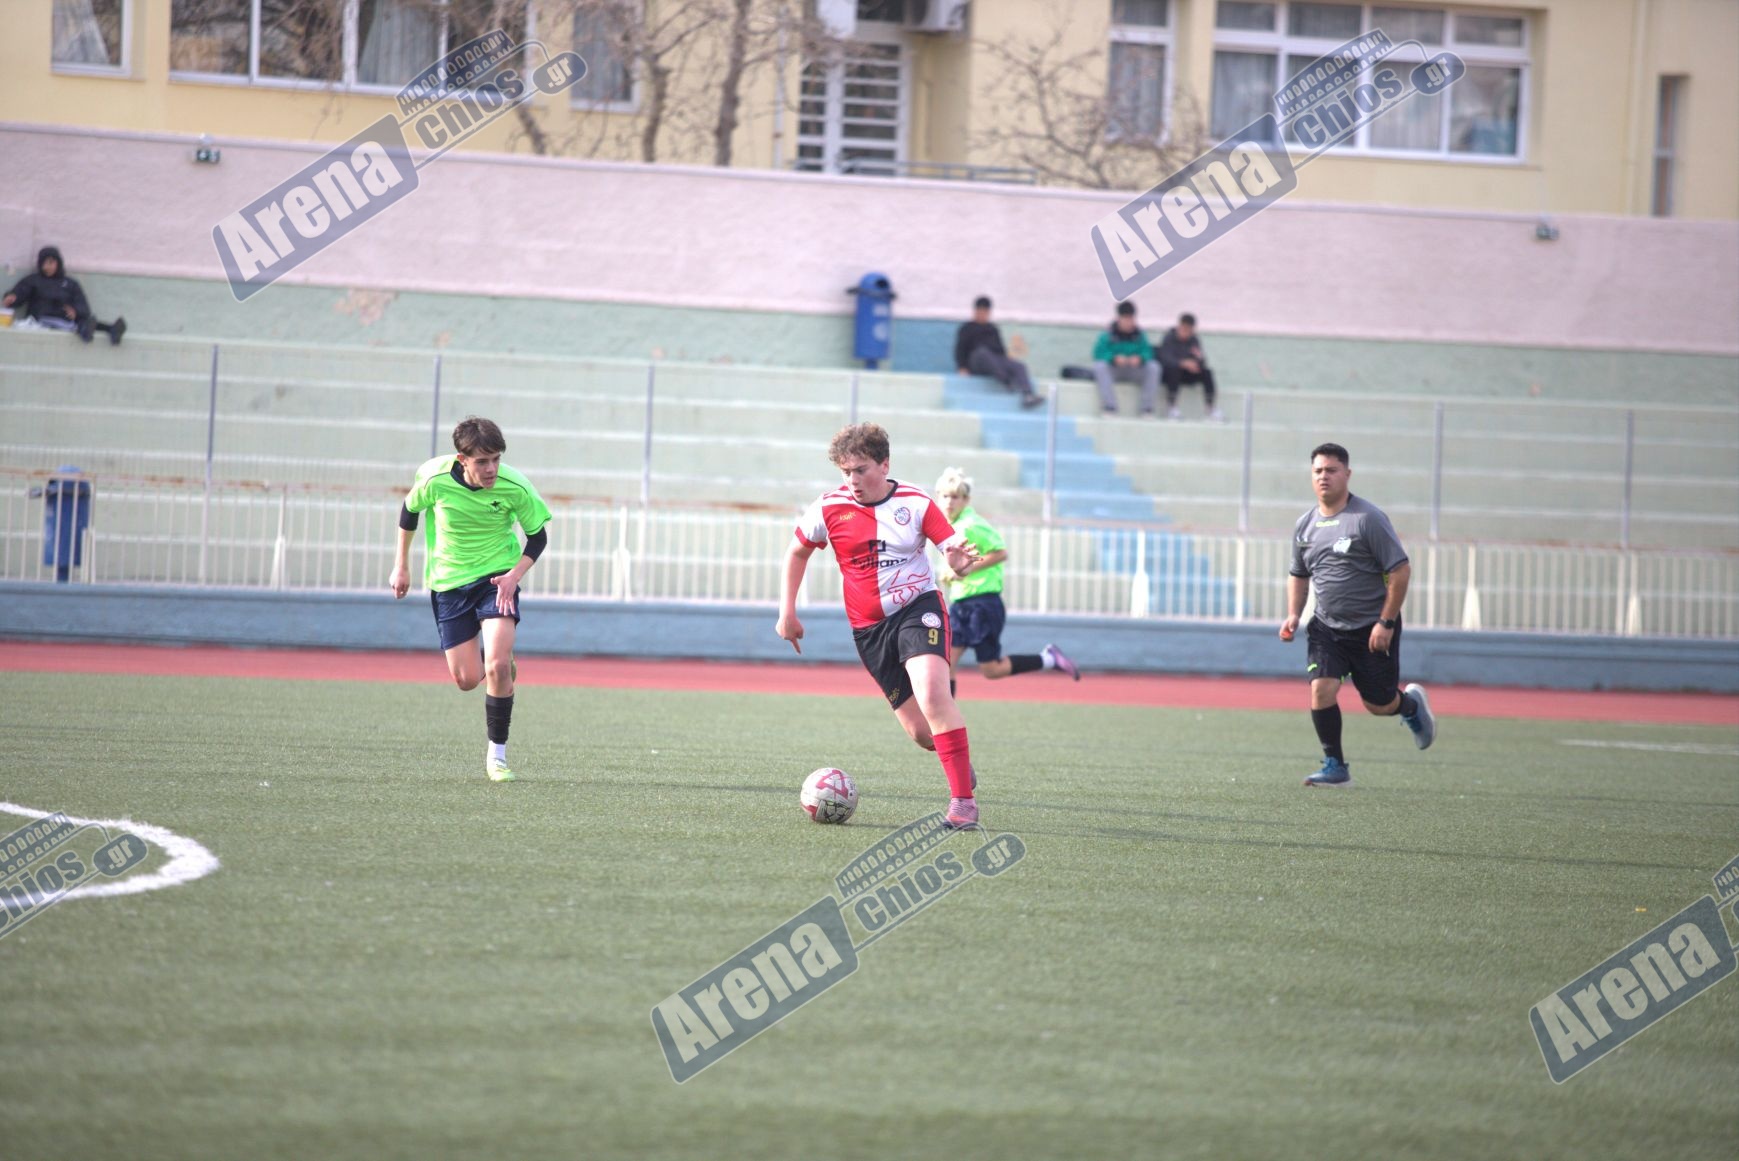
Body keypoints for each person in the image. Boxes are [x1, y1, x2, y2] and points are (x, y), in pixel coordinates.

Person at [777, 424, 986, 829]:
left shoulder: (917, 503)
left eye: (861, 470)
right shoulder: (828, 507)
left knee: (932, 692)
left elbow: (951, 549)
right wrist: (787, 612)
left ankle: (963, 803)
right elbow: (797, 553)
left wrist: (958, 564)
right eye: (845, 472)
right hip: (870, 630)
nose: (852, 480)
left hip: (917, 608)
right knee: (922, 733)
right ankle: (957, 760)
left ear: (884, 464)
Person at [390, 416, 552, 783]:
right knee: (466, 679)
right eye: (482, 461)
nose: (491, 468)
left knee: (497, 666)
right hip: (449, 583)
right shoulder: (434, 479)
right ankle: (497, 665)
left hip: (497, 579)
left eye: (496, 459)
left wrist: (513, 576)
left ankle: (498, 757)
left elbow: (538, 537)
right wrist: (401, 566)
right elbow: (409, 511)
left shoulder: (515, 486)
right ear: (462, 460)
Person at [1279, 442, 1437, 787]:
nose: (1324, 477)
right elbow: (1299, 574)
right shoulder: (1304, 525)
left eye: (1331, 470)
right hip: (1326, 628)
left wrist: (1386, 622)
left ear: (1347, 474)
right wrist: (1293, 614)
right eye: (1318, 471)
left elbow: (1400, 570)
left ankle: (1410, 707)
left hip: (1371, 629)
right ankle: (1335, 766)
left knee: (1379, 704)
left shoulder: (1367, 519)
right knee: (1321, 689)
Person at [934, 467, 1079, 694]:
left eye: (955, 497)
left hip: (982, 604)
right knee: (945, 663)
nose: (949, 502)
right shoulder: (950, 526)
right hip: (960, 604)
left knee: (992, 669)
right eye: (945, 496)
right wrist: (950, 575)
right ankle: (944, 716)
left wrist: (965, 569)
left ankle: (1049, 659)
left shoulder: (971, 524)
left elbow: (1000, 553)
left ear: (966, 500)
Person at [2, 246, 126, 345]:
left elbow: (83, 305)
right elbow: (20, 292)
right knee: (75, 324)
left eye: (51, 263)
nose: (47, 267)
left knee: (82, 320)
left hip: (65, 318)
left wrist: (75, 311)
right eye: (44, 263)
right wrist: (12, 298)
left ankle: (111, 329)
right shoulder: (34, 280)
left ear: (58, 263)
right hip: (42, 318)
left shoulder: (70, 284)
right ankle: (86, 330)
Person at [954, 295, 1043, 409]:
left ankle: (1028, 395)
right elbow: (960, 349)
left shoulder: (993, 329)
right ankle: (1008, 381)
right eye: (980, 311)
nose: (982, 314)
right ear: (975, 311)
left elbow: (1001, 351)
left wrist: (1009, 363)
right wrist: (962, 367)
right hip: (977, 362)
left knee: (1019, 366)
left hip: (994, 361)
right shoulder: (966, 328)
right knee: (982, 353)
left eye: (985, 311)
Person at [1091, 301, 1160, 416]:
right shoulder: (1108, 334)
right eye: (1125, 318)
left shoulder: (1140, 335)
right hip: (1115, 370)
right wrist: (1114, 358)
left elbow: (1148, 352)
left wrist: (1140, 358)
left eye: (1131, 318)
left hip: (1134, 370)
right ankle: (1110, 407)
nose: (1128, 322)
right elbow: (1098, 353)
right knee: (1100, 366)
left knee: (1153, 367)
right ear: (1119, 318)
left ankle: (1147, 408)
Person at [1156, 312, 1219, 421]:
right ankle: (1171, 406)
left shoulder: (1193, 340)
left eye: (1189, 330)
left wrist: (1197, 363)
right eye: (1184, 329)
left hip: (1187, 374)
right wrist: (1183, 363)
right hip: (1171, 374)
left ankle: (1210, 407)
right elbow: (1165, 358)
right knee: (1174, 370)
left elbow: (1201, 360)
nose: (1186, 332)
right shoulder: (1169, 338)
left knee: (1207, 372)